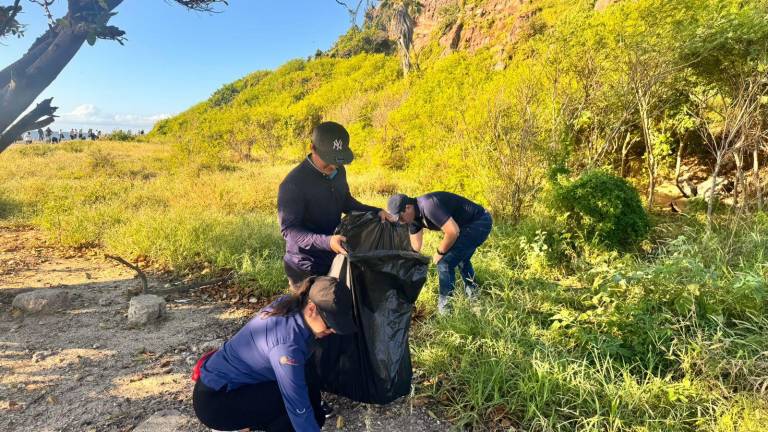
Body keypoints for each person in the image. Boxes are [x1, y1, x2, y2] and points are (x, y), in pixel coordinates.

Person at [192, 276, 356, 432]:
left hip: (230, 383)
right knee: (296, 417)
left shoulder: (294, 303)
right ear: (311, 308)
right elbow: (297, 408)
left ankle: (248, 423)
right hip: (217, 400)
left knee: (313, 400)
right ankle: (237, 425)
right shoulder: (287, 346)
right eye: (330, 324)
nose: (333, 330)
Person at [277, 121, 387, 289]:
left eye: (337, 160)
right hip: (305, 265)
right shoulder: (293, 184)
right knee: (315, 305)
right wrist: (327, 242)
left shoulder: (339, 170)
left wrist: (376, 211)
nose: (333, 166)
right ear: (312, 148)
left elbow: (345, 202)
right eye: (328, 160)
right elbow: (289, 231)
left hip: (334, 255)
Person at [387, 192, 493, 314]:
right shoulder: (413, 219)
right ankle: (474, 294)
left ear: (408, 207)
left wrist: (440, 252)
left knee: (444, 262)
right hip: (467, 226)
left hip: (480, 222)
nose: (401, 222)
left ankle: (445, 310)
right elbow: (415, 248)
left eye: (400, 218)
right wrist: (404, 268)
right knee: (460, 259)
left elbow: (453, 231)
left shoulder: (428, 205)